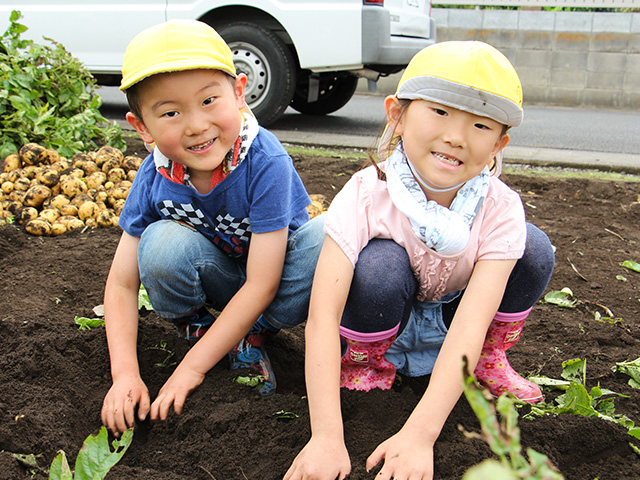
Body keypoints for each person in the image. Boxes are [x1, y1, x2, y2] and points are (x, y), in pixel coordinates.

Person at [284, 41, 555, 480]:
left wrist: (419, 436)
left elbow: (469, 323)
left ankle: (489, 359)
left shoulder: (500, 207)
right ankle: (365, 362)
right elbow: (321, 314)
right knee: (380, 266)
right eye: (440, 112)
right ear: (397, 114)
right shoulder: (366, 193)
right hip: (384, 310)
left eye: (481, 124)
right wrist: (327, 436)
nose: (456, 136)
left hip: (455, 316)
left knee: (534, 246)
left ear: (499, 143)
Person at [100, 19, 324, 436]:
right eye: (170, 112)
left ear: (239, 93)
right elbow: (121, 285)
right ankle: (201, 327)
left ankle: (250, 335)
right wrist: (125, 376)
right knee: (160, 242)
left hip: (274, 285)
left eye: (209, 101)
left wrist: (191, 369)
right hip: (219, 277)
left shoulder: (264, 161)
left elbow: (262, 284)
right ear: (141, 127)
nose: (196, 125)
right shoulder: (156, 175)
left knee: (329, 237)